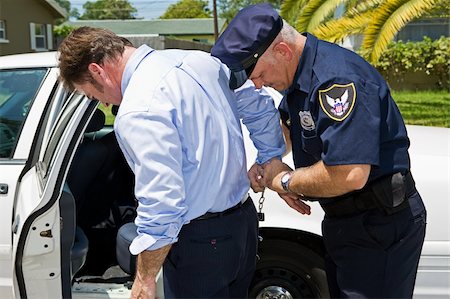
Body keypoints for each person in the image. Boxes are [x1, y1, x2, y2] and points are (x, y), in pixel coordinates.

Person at [57, 26, 298, 298]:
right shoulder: (201, 61)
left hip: (200, 246)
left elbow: (163, 202)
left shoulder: (139, 109)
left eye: (92, 94)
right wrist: (269, 158)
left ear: (97, 71)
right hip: (242, 224)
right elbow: (258, 106)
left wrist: (145, 278)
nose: (101, 103)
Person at [211, 3, 427, 298]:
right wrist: (267, 164)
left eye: (258, 74)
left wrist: (285, 181)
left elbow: (350, 173)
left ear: (282, 51)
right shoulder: (301, 75)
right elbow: (291, 128)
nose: (258, 85)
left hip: (379, 225)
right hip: (346, 221)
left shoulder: (335, 80)